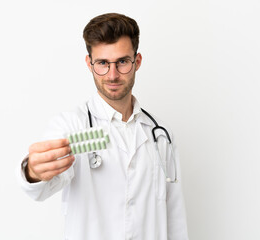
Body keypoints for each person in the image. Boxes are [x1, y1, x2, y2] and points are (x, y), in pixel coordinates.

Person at [18, 13, 189, 240]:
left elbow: (174, 217)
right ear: (89, 64)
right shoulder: (71, 126)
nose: (113, 75)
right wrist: (33, 172)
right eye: (102, 63)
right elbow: (41, 187)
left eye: (122, 62)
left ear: (137, 61)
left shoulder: (161, 135)